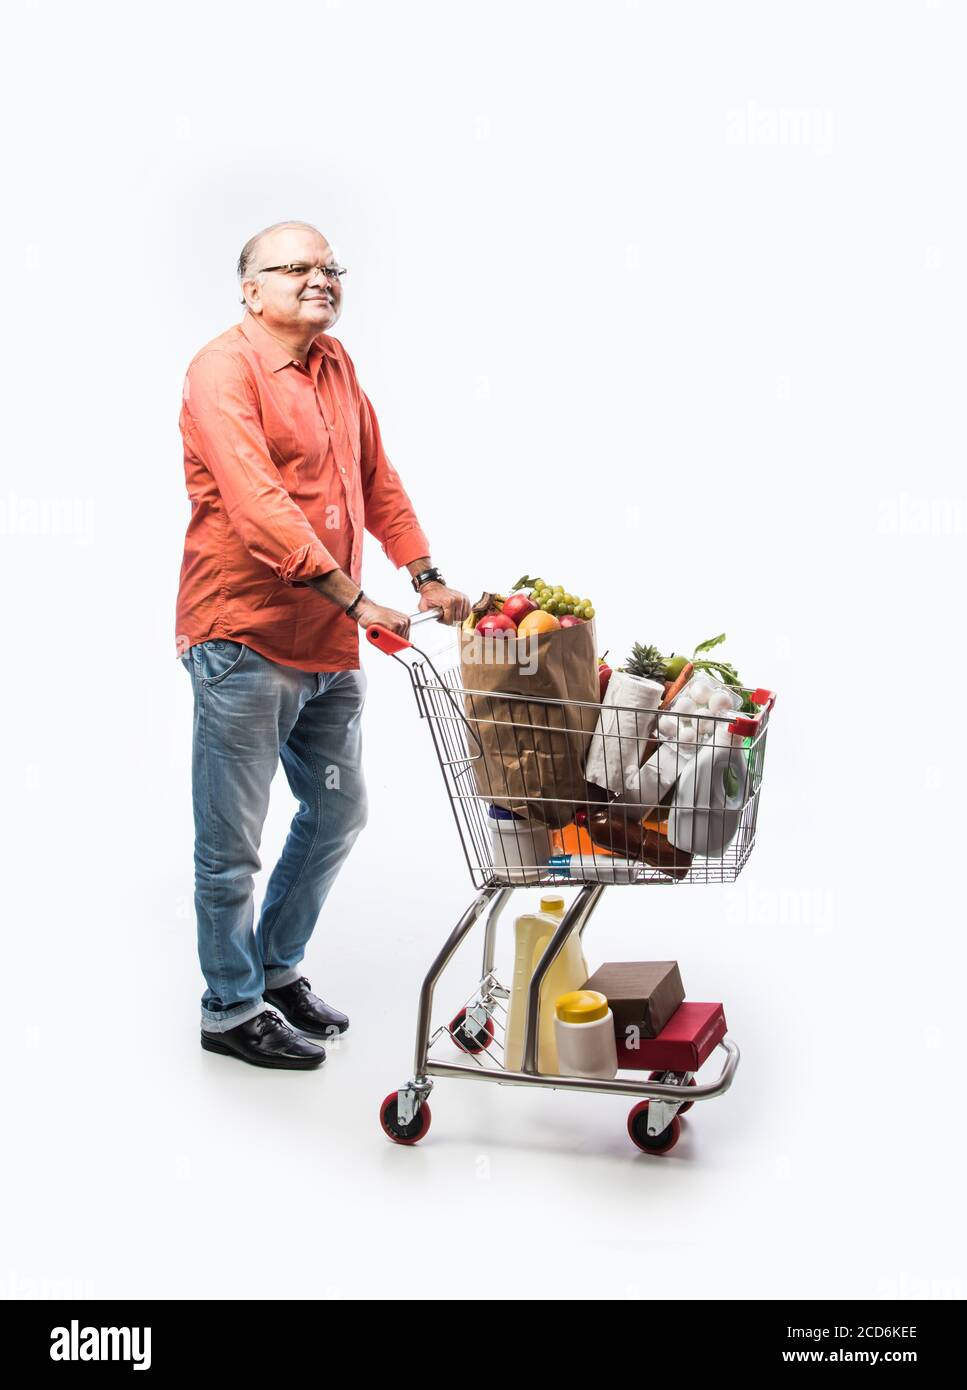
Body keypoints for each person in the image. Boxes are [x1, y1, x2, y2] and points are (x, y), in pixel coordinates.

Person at [176, 219, 471, 1070]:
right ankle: (229, 1009)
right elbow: (259, 505)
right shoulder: (220, 370)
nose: (320, 277)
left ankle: (273, 969)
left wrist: (422, 574)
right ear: (249, 287)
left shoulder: (335, 365)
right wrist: (357, 597)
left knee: (338, 809)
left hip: (330, 647)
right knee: (230, 844)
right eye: (295, 266)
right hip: (245, 641)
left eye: (330, 266)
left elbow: (375, 478)